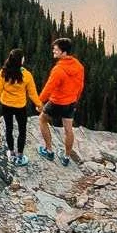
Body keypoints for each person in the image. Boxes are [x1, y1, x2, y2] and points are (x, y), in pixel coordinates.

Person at [0, 47, 40, 163]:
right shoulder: (27, 75)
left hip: (6, 105)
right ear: (21, 61)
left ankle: (11, 153)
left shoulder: (3, 73)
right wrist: (39, 105)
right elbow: (32, 93)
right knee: (22, 130)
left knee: (9, 129)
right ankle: (20, 155)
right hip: (20, 106)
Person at [37, 36, 86, 164]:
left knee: (42, 120)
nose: (53, 50)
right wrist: (75, 100)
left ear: (64, 53)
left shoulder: (58, 70)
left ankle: (49, 151)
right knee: (68, 130)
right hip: (70, 103)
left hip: (56, 103)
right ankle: (66, 157)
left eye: (56, 49)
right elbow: (80, 86)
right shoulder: (79, 66)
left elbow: (48, 88)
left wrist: (39, 102)